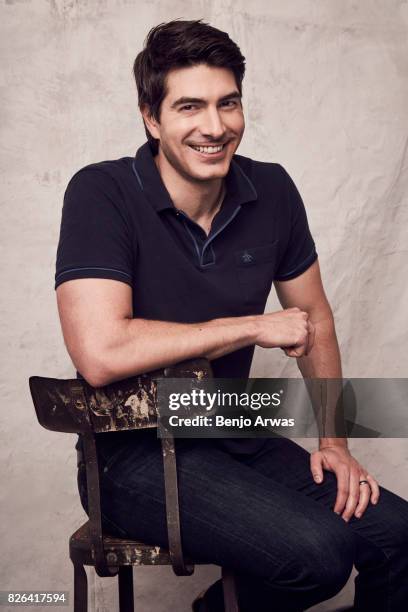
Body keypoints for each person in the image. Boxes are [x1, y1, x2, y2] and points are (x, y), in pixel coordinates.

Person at [55, 19, 408, 612]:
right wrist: (250, 326)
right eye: (189, 106)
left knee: (396, 536)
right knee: (317, 555)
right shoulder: (101, 192)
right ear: (151, 117)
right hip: (131, 454)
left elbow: (313, 315)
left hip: (229, 429)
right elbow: (100, 352)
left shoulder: (271, 191)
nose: (215, 127)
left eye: (228, 103)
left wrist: (335, 441)